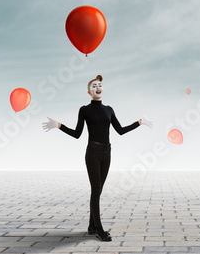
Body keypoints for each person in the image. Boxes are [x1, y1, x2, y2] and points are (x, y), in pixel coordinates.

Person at [41, 74, 153, 241]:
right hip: (92, 152)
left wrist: (139, 122)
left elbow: (120, 131)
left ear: (103, 89)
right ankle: (99, 229)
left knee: (98, 190)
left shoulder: (109, 109)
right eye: (94, 86)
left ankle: (91, 227)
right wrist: (59, 125)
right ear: (89, 91)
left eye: (99, 85)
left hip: (107, 153)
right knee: (95, 190)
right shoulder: (84, 110)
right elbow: (77, 134)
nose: (97, 87)